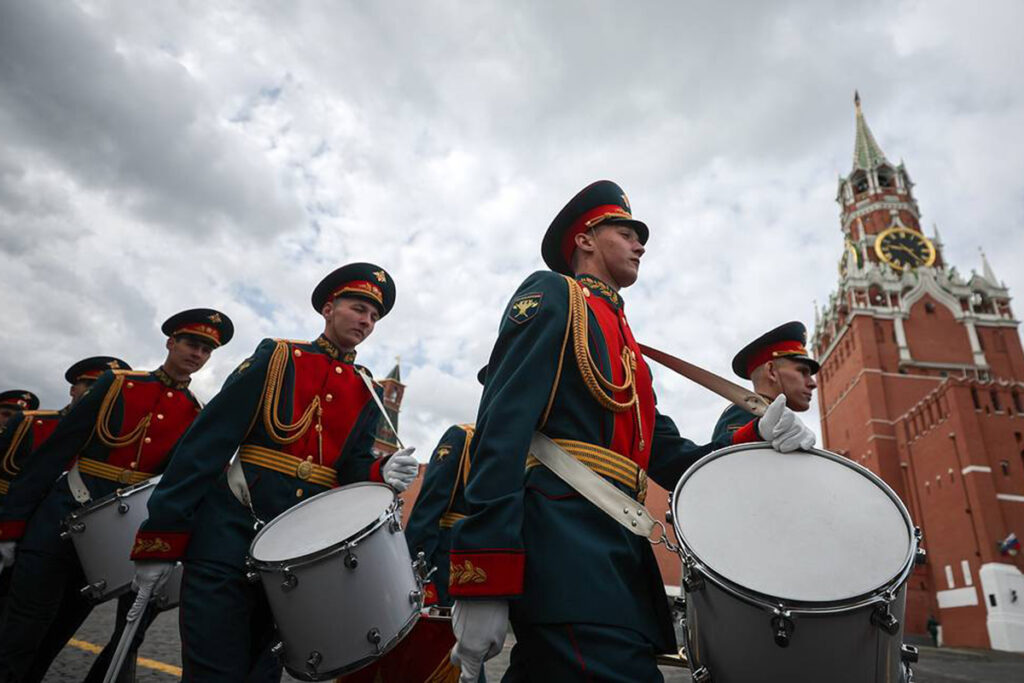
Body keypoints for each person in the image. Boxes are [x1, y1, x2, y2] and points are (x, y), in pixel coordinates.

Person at [447, 180, 816, 683]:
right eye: (626, 232)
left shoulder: (629, 348)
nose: (641, 243)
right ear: (585, 239)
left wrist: (752, 436)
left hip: (618, 554)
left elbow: (668, 455)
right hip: (567, 549)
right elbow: (500, 429)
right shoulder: (554, 294)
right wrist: (484, 574)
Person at [129, 263, 419, 682]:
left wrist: (381, 469)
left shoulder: (364, 386)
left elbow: (351, 468)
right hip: (227, 539)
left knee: (262, 673)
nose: (366, 321)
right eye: (358, 308)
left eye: (373, 317)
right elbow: (203, 449)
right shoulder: (279, 357)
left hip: (299, 559)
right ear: (328, 307)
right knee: (213, 672)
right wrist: (160, 540)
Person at [0, 310, 232, 683]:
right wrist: (11, 527)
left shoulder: (193, 413)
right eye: (191, 343)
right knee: (21, 631)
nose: (197, 354)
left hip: (108, 540)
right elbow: (54, 454)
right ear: (171, 342)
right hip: (59, 517)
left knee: (58, 632)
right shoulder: (117, 385)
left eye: (206, 350)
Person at [711, 321, 819, 441]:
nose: (813, 384)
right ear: (771, 371)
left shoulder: (774, 419)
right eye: (802, 372)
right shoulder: (749, 412)